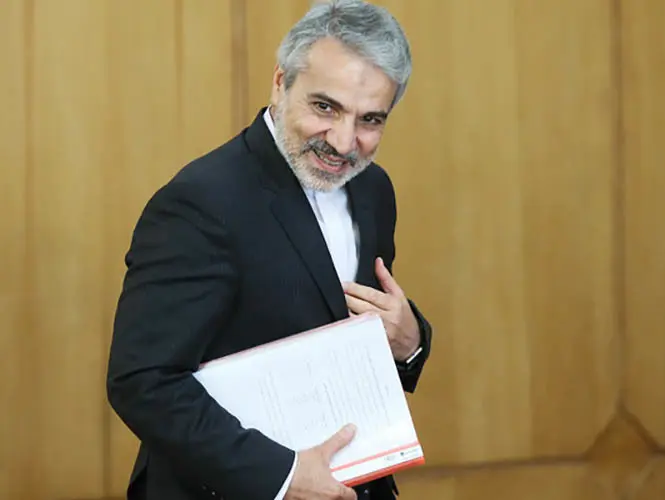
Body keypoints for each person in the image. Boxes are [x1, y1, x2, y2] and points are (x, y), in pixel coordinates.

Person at [105, 1, 433, 499]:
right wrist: (281, 477)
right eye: (325, 108)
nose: (344, 142)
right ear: (280, 83)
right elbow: (142, 381)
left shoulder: (374, 190)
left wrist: (411, 341)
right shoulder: (199, 202)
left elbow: (339, 321)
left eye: (370, 119)